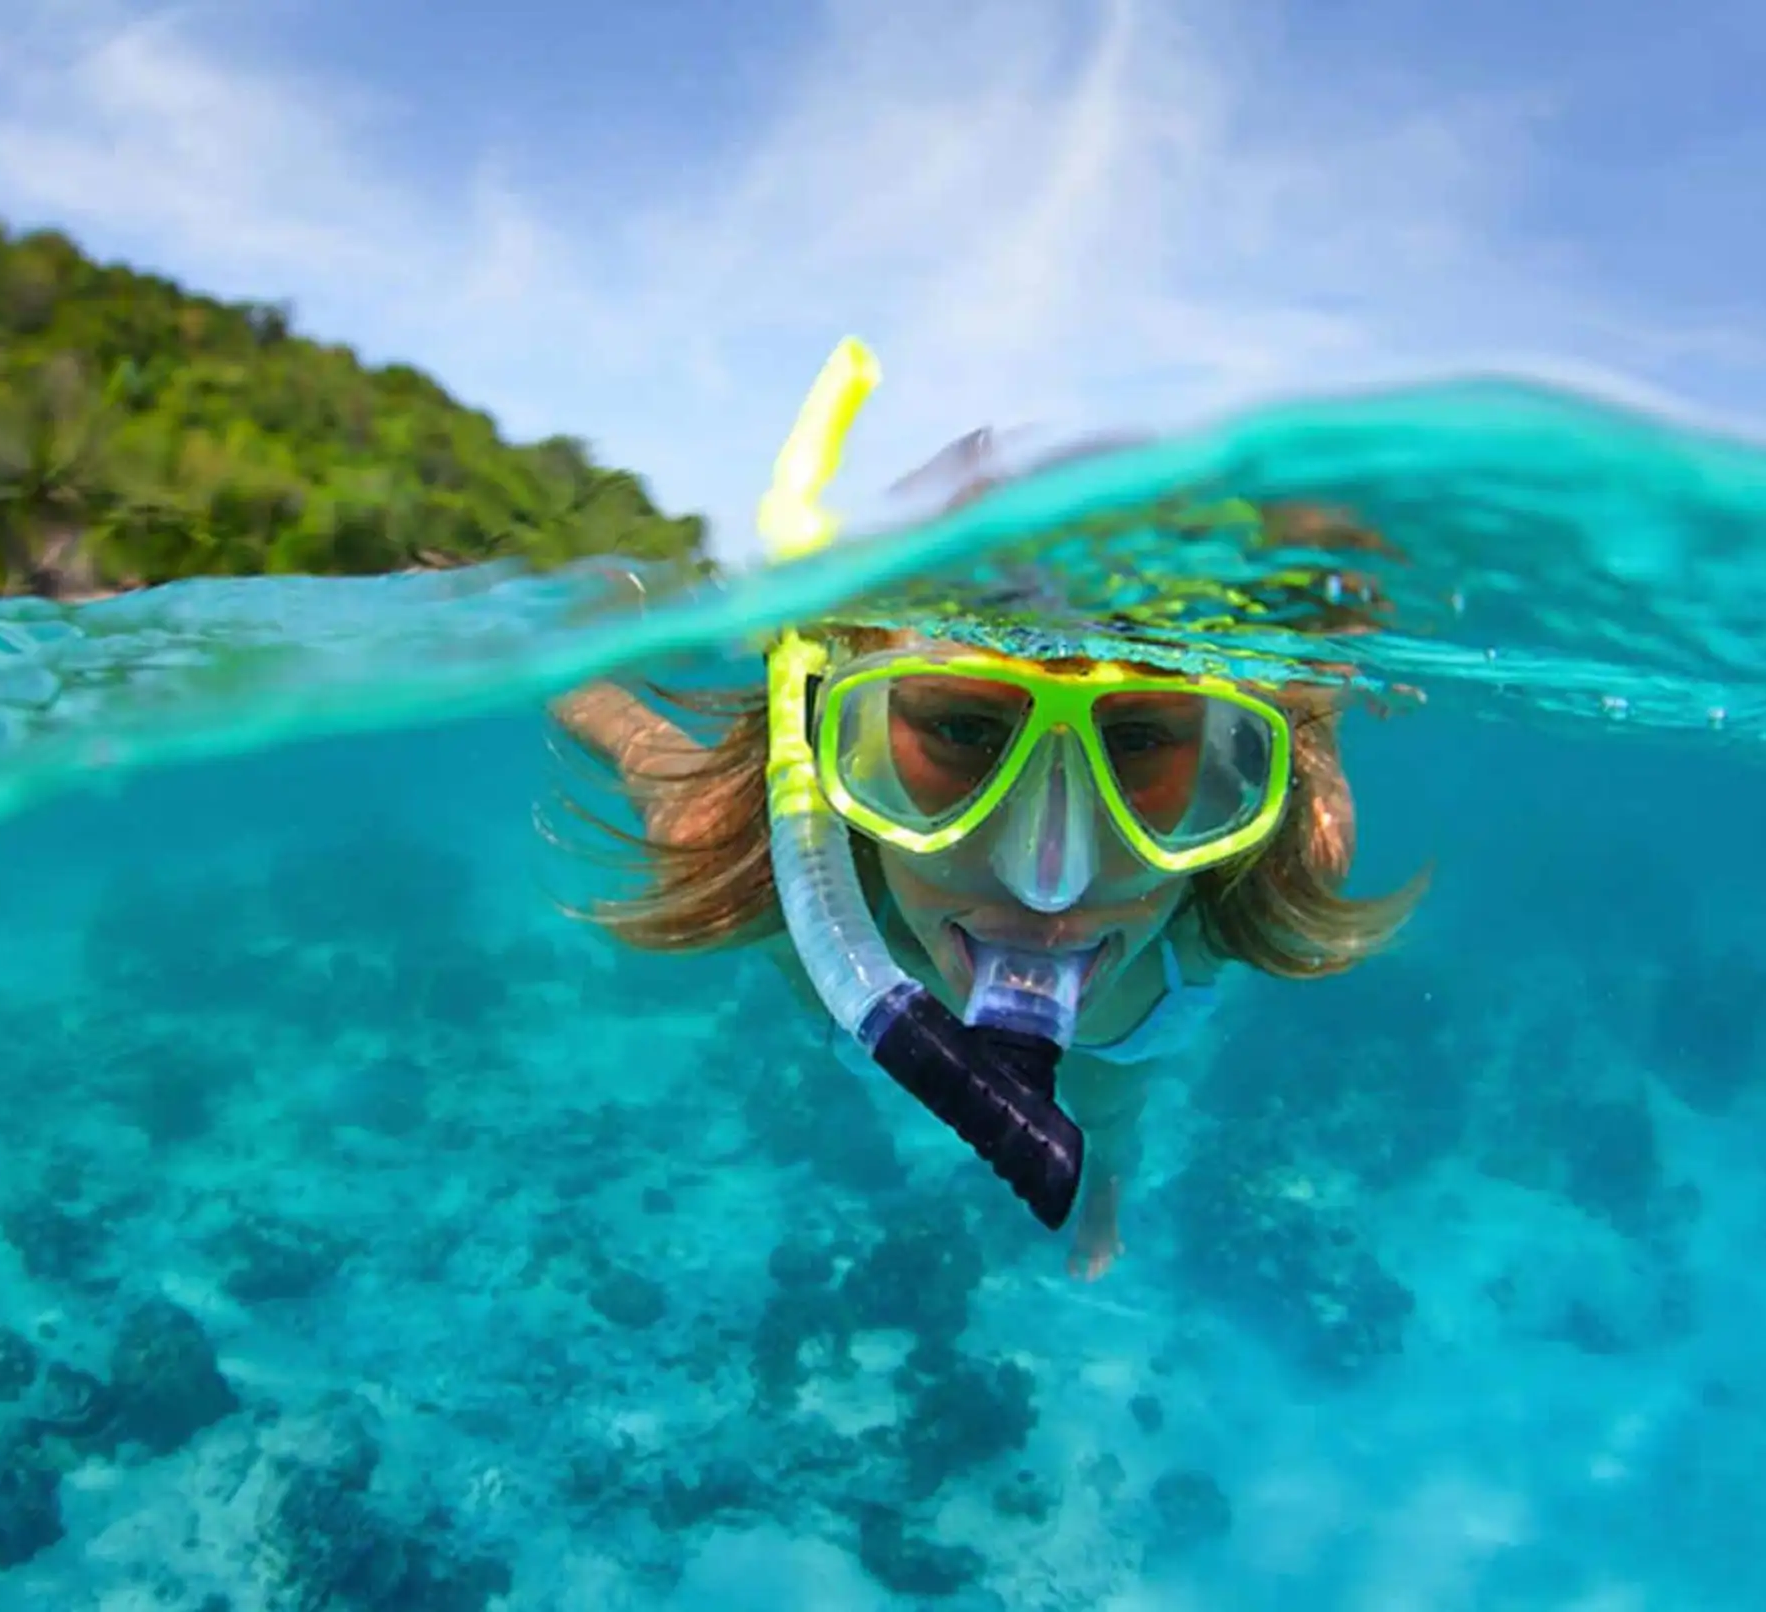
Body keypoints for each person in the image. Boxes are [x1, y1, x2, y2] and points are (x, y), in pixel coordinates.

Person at [549, 340, 1424, 1279]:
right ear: (823, 736)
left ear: (1234, 767)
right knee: (1112, 1080)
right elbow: (610, 714)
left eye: (1138, 743)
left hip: (1125, 1034)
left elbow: (1303, 707)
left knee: (1113, 1102)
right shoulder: (738, 842)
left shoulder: (1285, 857)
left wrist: (1315, 673)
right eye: (964, 730)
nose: (1048, 884)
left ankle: (1109, 1187)